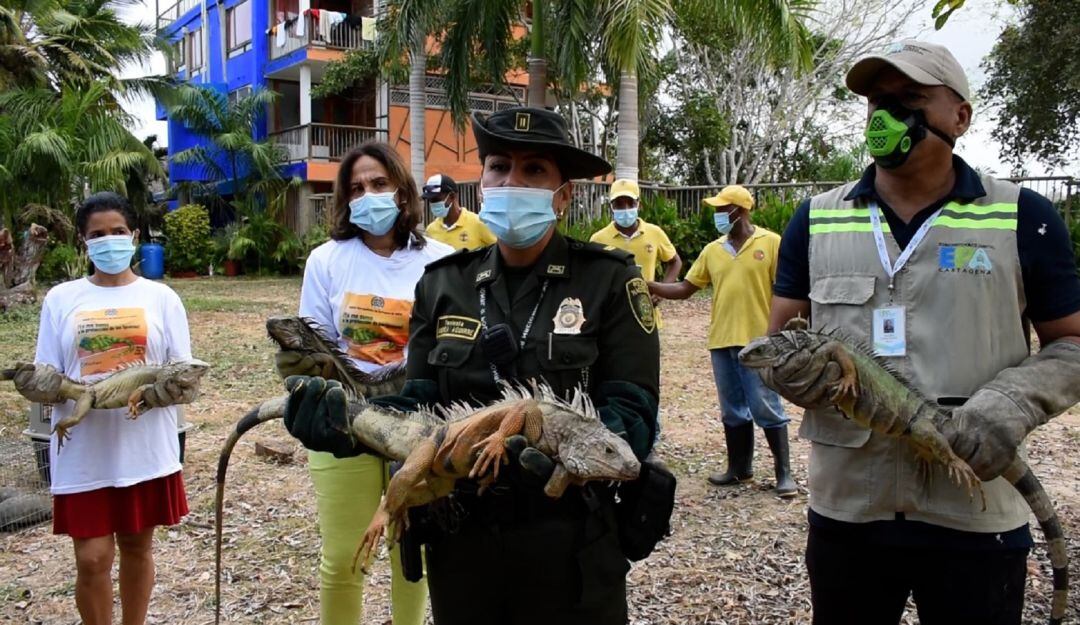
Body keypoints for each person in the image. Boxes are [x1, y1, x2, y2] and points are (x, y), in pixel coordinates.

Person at [282, 107, 661, 625]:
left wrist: (569, 449)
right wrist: (346, 422)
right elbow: (417, 399)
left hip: (570, 542)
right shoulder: (443, 283)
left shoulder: (608, 281)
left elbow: (635, 411)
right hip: (461, 539)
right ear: (482, 184)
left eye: (534, 171)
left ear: (564, 194)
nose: (512, 181)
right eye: (499, 166)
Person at [768, 40, 1080, 624]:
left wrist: (1010, 404)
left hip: (975, 503)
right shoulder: (816, 218)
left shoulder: (1024, 217)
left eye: (910, 99)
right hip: (849, 507)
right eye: (877, 102)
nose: (888, 116)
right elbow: (782, 339)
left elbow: (1072, 343)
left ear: (959, 116)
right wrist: (794, 374)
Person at [274, 142, 453, 624]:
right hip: (345, 420)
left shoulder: (443, 260)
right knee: (343, 557)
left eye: (378, 184)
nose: (368, 195)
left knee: (410, 553)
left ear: (402, 190)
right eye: (356, 188)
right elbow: (315, 347)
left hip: (417, 422)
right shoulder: (327, 261)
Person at [14, 192, 198, 625]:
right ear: (84, 242)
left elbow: (183, 376)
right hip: (82, 448)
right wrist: (43, 387)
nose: (109, 241)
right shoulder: (61, 298)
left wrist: (149, 395)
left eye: (118, 231)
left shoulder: (163, 298)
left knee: (138, 548)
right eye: (98, 234)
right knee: (93, 559)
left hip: (145, 446)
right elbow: (50, 375)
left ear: (134, 236)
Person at [648, 185, 795, 498]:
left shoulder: (770, 243)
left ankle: (784, 472)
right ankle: (739, 469)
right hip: (722, 339)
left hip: (759, 342)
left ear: (739, 211)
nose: (716, 215)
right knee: (732, 410)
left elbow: (785, 290)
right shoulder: (713, 250)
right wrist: (651, 285)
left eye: (721, 209)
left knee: (764, 405)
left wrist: (778, 333)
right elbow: (687, 288)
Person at [589, 178, 683, 314]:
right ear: (611, 206)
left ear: (638, 204)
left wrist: (662, 290)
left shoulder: (654, 233)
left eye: (630, 203)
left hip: (646, 311)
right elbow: (591, 275)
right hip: (610, 313)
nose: (625, 209)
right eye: (619, 204)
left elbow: (675, 262)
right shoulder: (598, 239)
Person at [421, 173, 497, 250]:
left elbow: (498, 252)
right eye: (430, 201)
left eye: (436, 200)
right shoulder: (430, 230)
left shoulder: (479, 223)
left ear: (452, 196)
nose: (433, 204)